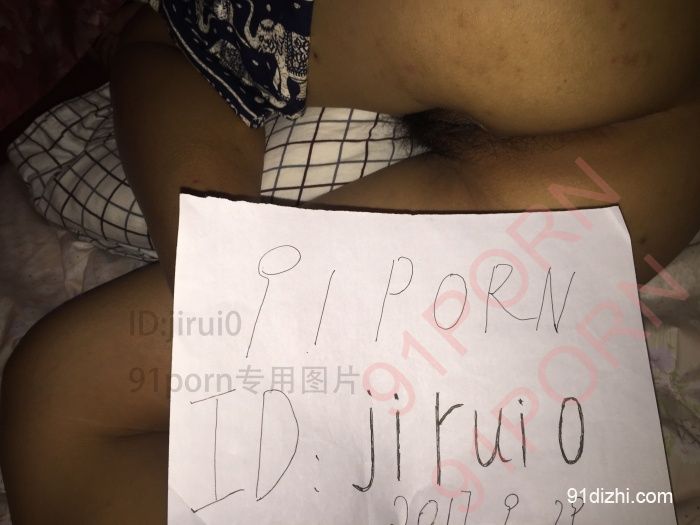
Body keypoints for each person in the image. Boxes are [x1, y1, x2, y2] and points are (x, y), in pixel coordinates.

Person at [2, 1, 699, 522]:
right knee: (54, 406)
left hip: (607, 160)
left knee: (54, 408)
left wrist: (224, 283)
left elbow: (169, 50)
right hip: (620, 170)